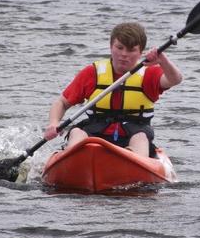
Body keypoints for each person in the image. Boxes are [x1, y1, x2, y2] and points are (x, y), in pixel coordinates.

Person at [43, 22, 182, 157]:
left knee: (141, 138)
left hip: (134, 131)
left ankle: (131, 160)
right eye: (119, 47)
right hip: (95, 129)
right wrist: (54, 123)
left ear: (140, 52)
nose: (124, 54)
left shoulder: (149, 74)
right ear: (111, 47)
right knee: (77, 133)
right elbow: (62, 102)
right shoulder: (92, 73)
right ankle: (73, 157)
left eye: (131, 50)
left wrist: (163, 60)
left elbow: (175, 79)